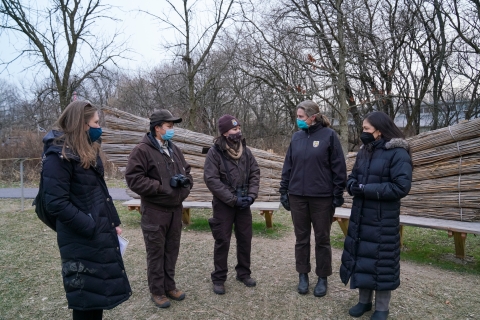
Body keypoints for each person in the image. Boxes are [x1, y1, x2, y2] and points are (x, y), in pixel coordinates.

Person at [41, 101, 131, 320]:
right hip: (81, 241)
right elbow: (55, 203)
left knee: (96, 297)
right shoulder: (59, 156)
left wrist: (113, 222)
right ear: (82, 124)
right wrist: (91, 225)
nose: (99, 127)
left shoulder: (85, 152)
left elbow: (99, 193)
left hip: (96, 237)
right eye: (96, 122)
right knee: (85, 301)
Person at [340, 111, 412, 320]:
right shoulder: (365, 150)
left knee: (381, 262)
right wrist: (352, 184)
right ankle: (364, 302)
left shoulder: (398, 153)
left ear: (379, 131)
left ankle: (382, 307)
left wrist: (365, 188)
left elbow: (401, 187)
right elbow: (354, 176)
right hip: (361, 216)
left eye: (366, 129)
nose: (363, 133)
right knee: (362, 258)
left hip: (383, 220)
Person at [125, 109, 193, 308]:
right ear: (157, 128)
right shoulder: (142, 150)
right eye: (169, 126)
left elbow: (187, 171)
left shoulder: (174, 149)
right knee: (156, 252)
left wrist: (185, 184)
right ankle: (157, 291)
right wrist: (162, 187)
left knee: (172, 250)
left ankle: (169, 286)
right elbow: (134, 179)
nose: (172, 130)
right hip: (155, 211)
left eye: (172, 127)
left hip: (175, 210)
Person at [279, 100, 346, 297]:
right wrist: (284, 191)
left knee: (322, 239)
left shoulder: (329, 136)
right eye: (297, 117)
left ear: (312, 117)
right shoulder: (297, 138)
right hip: (297, 196)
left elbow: (338, 167)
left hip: (322, 198)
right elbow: (288, 166)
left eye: (300, 117)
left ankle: (322, 277)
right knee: (301, 239)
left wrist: (337, 193)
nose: (298, 120)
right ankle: (303, 275)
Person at [203, 114, 260, 295]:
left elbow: (255, 173)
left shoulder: (246, 151)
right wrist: (232, 199)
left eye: (238, 128)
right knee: (222, 241)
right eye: (234, 129)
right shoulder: (214, 153)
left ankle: (243, 273)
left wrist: (251, 196)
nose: (238, 132)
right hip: (224, 205)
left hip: (244, 203)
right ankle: (219, 278)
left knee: (245, 240)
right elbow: (211, 180)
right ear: (225, 132)